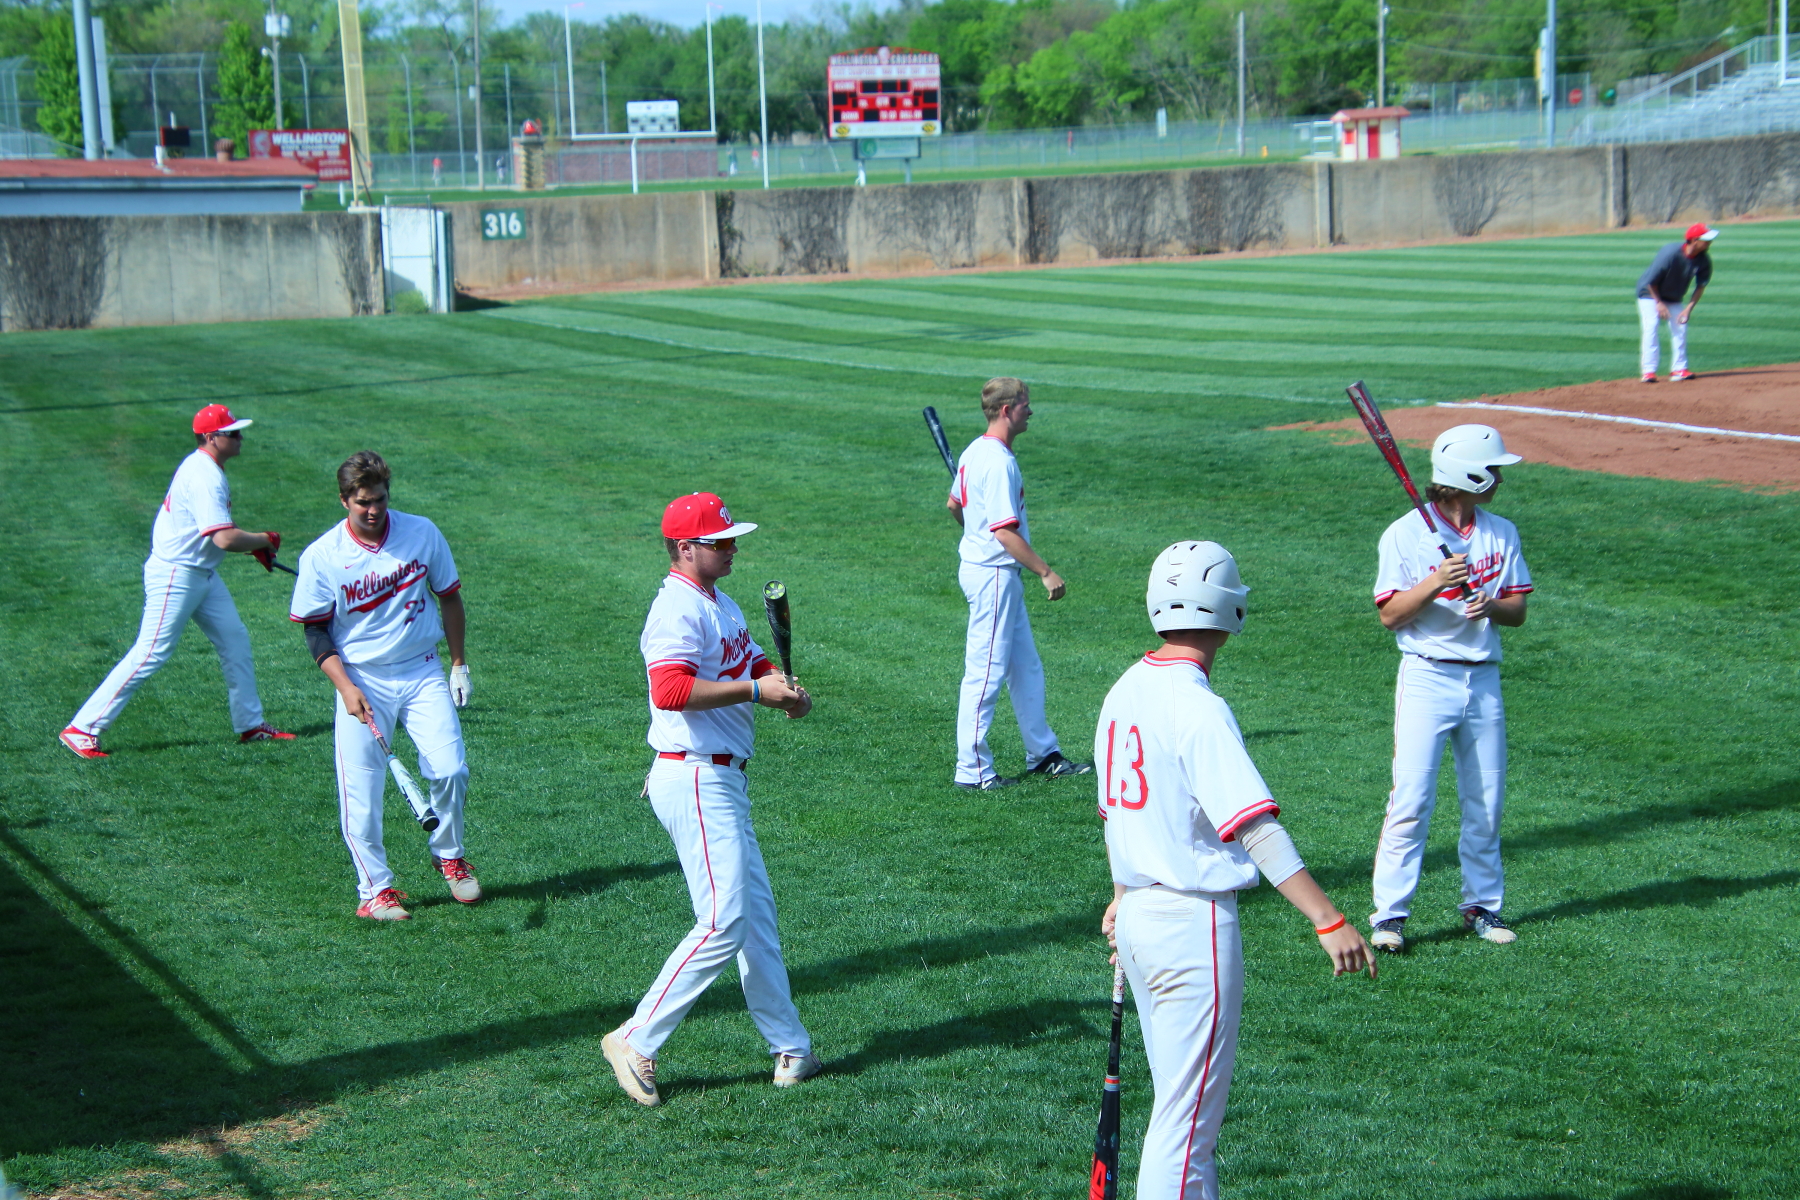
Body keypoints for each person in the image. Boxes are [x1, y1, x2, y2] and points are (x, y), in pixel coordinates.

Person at [1097, 540, 1374, 1200]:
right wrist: (1327, 917)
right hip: (1190, 929)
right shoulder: (1197, 706)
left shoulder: (1125, 688)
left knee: (1178, 1115)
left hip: (1139, 915)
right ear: (1228, 609)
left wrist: (1121, 896)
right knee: (1186, 1130)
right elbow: (1254, 827)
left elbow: (1116, 811)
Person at [602, 492, 819, 1107]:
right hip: (693, 777)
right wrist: (756, 688)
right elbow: (669, 689)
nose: (731, 546)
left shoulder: (718, 603)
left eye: (730, 537)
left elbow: (752, 661)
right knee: (724, 921)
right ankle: (635, 1038)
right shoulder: (674, 610)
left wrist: (783, 687)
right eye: (719, 540)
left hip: (721, 779)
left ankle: (792, 1048)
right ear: (683, 548)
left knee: (756, 921)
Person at [288, 452, 478, 921]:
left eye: (380, 500)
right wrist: (346, 687)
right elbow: (315, 631)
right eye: (363, 502)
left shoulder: (421, 532)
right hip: (361, 679)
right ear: (344, 500)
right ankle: (376, 889)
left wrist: (458, 663)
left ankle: (448, 855)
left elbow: (449, 596)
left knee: (450, 767)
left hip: (421, 670)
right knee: (363, 790)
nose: (374, 510)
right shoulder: (322, 555)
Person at [1369, 425, 1532, 954]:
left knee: (1486, 800)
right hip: (1426, 677)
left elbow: (1518, 611)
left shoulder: (1501, 532)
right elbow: (1390, 615)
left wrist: (1491, 606)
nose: (1501, 478)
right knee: (1411, 799)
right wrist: (1435, 582)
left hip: (1482, 679)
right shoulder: (1404, 534)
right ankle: (1390, 917)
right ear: (1470, 475)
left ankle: (1482, 907)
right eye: (1495, 469)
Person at [60, 404, 292, 758]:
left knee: (235, 641)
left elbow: (218, 537)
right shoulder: (205, 477)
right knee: (151, 652)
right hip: (177, 575)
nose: (240, 437)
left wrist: (255, 544)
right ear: (211, 438)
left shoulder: (205, 467)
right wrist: (263, 539)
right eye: (233, 433)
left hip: (201, 574)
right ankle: (82, 729)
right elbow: (224, 539)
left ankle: (251, 725)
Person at [946, 377, 1091, 789]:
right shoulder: (998, 461)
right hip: (993, 576)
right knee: (985, 672)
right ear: (1007, 410)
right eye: (1025, 404)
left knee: (1025, 668)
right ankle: (972, 770)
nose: (1031, 410)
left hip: (992, 573)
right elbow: (1005, 533)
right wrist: (1045, 571)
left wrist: (974, 531)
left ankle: (1043, 754)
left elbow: (955, 505)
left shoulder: (976, 451)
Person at [1636, 222, 1717, 382]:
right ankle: (1648, 371)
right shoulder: (1670, 253)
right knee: (1651, 326)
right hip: (1650, 294)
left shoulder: (1704, 260)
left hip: (1673, 297)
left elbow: (1700, 286)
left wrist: (1688, 309)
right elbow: (1651, 281)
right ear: (1694, 240)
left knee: (1680, 326)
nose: (1709, 243)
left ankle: (1678, 369)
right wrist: (1658, 303)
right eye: (1705, 240)